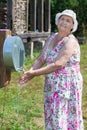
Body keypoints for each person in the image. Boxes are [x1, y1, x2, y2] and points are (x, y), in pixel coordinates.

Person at [19, 9, 84, 130]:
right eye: (62, 19)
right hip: (52, 84)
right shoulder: (52, 37)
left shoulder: (70, 41)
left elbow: (58, 64)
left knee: (63, 116)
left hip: (67, 84)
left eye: (68, 21)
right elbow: (40, 59)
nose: (64, 22)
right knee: (53, 114)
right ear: (57, 21)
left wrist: (34, 73)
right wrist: (29, 74)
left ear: (72, 26)